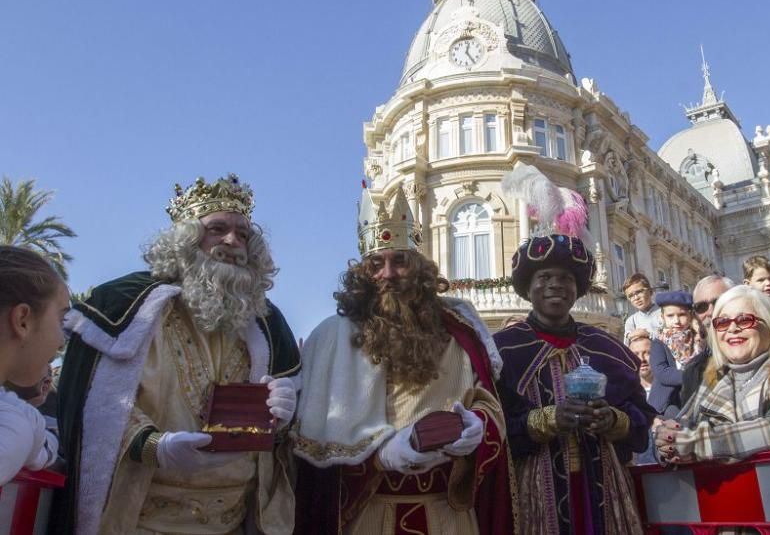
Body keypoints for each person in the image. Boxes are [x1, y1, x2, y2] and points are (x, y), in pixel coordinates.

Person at [53, 174, 301, 535]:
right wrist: (156, 447)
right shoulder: (124, 306)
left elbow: (280, 445)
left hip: (234, 521)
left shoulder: (267, 325)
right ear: (185, 239)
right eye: (217, 229)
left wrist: (283, 417)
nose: (232, 241)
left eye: (243, 234)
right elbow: (93, 410)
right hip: (140, 519)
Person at [293, 188, 513, 534]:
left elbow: (486, 399)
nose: (388, 274)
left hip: (447, 514)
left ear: (419, 268)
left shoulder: (459, 331)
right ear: (363, 273)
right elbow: (312, 454)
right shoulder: (331, 337)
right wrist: (379, 455)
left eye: (400, 261)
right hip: (370, 514)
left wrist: (478, 427)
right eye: (376, 264)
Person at [494, 163, 655, 534]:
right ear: (528, 288)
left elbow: (641, 419)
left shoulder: (605, 347)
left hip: (605, 487)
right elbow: (492, 430)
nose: (555, 286)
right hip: (534, 490)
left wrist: (614, 420)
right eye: (544, 278)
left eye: (565, 278)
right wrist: (545, 420)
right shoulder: (503, 350)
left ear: (577, 288)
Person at [654, 285, 770, 465]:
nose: (732, 329)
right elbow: (680, 426)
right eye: (722, 323)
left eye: (744, 320)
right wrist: (666, 441)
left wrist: (696, 444)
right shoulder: (713, 377)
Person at [0, 246, 66, 485]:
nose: (61, 341)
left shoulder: (14, 413)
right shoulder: (11, 426)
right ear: (23, 320)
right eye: (60, 319)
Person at [680, 276, 735, 406]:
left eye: (719, 302)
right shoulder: (693, 369)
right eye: (701, 307)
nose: (711, 312)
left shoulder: (762, 354)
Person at [648, 290, 704, 419]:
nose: (676, 320)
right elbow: (662, 372)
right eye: (670, 315)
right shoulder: (659, 342)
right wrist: (693, 376)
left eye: (682, 314)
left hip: (695, 397)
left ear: (691, 316)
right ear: (662, 317)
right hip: (668, 402)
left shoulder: (698, 341)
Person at [623, 273, 661, 342]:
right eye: (631, 296)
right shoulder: (631, 321)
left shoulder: (664, 314)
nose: (636, 298)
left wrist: (648, 335)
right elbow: (627, 347)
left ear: (650, 291)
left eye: (639, 292)